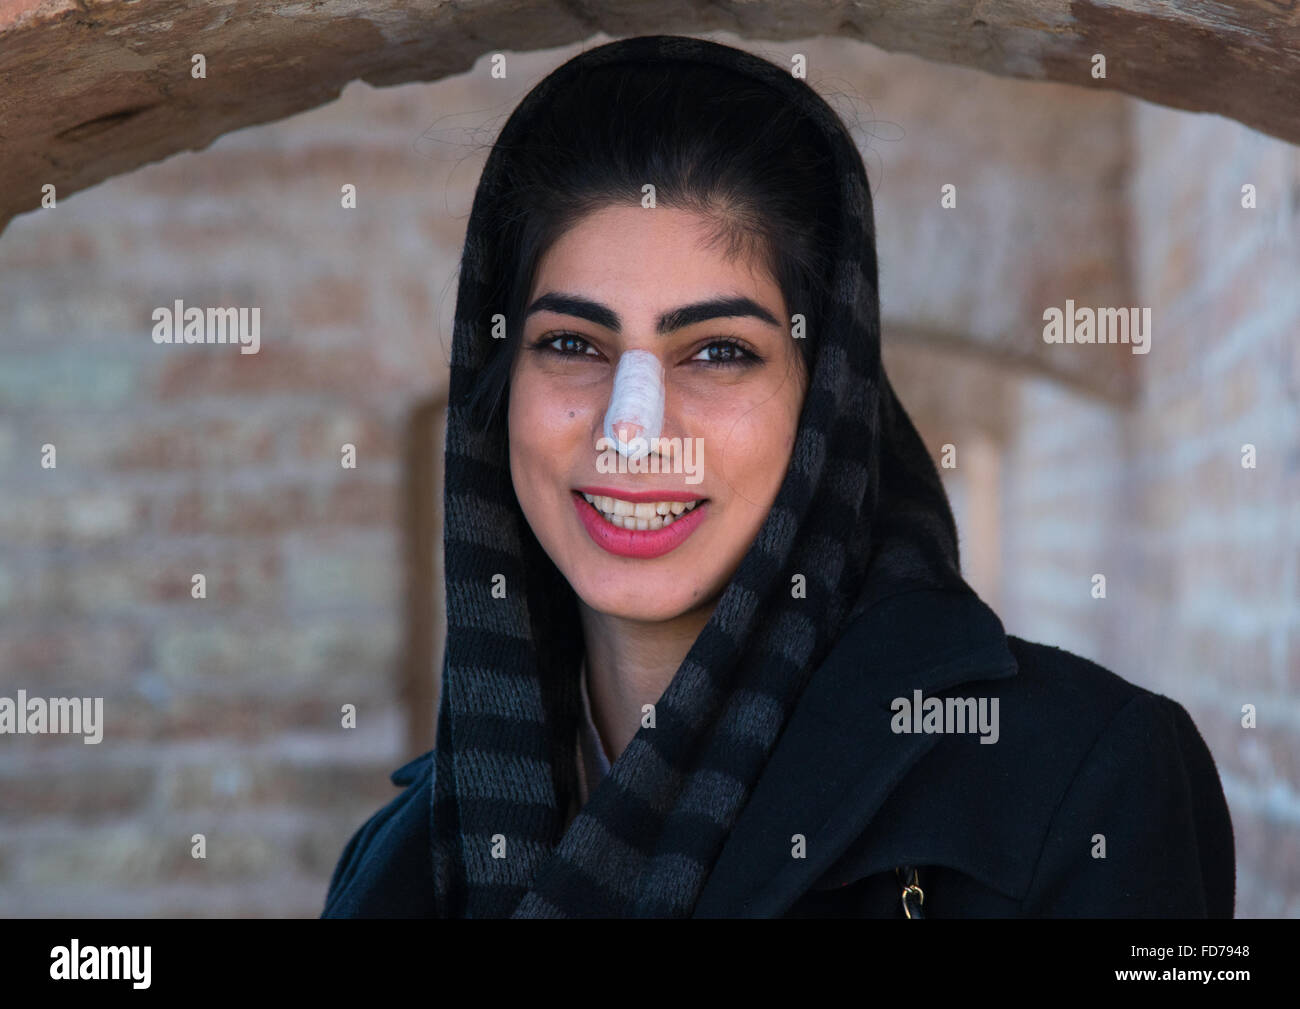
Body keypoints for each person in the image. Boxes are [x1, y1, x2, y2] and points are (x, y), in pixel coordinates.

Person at [321, 34, 1235, 918]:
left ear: (825, 400)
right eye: (571, 343)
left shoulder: (1079, 789)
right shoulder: (394, 862)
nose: (632, 436)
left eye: (718, 350)